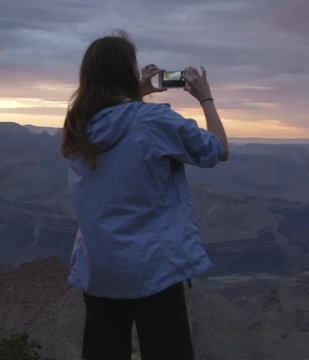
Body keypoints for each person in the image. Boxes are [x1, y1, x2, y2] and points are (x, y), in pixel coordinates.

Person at [60, 31, 229, 360]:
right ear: (128, 72)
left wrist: (136, 94)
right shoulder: (153, 121)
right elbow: (217, 151)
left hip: (100, 266)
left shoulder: (77, 126)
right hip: (154, 268)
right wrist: (205, 98)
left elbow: (119, 129)